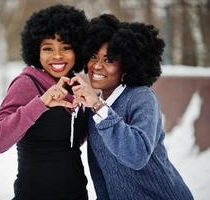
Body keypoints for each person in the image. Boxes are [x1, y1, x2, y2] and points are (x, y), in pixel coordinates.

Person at [71, 14, 194, 199]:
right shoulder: (95, 108)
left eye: (109, 60)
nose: (97, 66)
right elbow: (101, 172)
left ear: (126, 64)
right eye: (93, 56)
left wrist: (97, 106)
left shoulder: (141, 97)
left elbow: (136, 155)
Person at [0, 4, 89, 200]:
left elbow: (72, 140)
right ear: (36, 51)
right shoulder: (27, 83)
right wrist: (40, 104)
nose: (57, 55)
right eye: (48, 48)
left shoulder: (75, 85)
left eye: (66, 47)